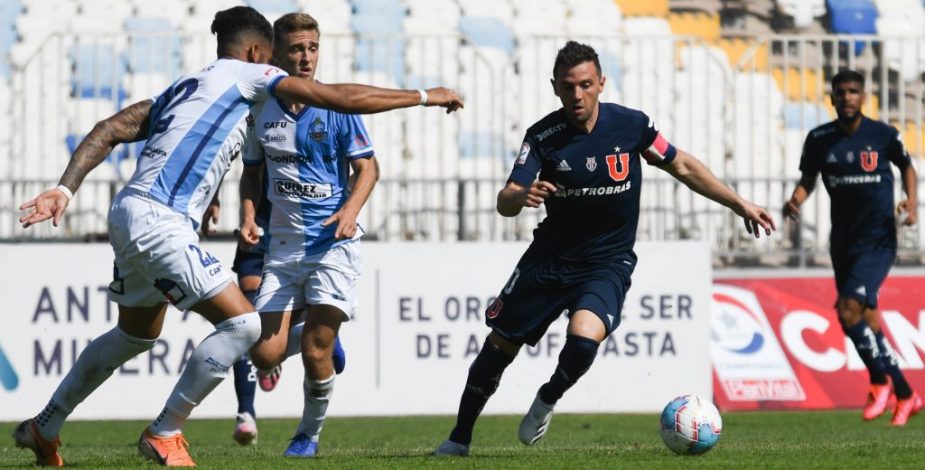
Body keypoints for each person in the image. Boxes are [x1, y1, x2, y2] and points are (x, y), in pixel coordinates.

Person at [13, 6, 462, 467]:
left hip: (128, 213)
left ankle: (45, 425)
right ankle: (165, 431)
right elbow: (339, 97)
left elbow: (112, 129)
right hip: (161, 221)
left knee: (133, 337)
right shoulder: (254, 76)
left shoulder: (184, 87)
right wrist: (425, 95)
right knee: (244, 325)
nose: (283, 67)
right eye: (274, 56)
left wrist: (65, 188)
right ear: (255, 52)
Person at [433, 41, 775, 457]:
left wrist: (740, 203)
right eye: (567, 87)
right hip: (550, 260)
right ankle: (460, 437)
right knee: (499, 348)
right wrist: (521, 195)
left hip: (607, 261)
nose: (577, 95)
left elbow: (682, 164)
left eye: (585, 85)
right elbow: (505, 201)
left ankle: (548, 396)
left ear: (601, 84)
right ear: (555, 88)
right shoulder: (542, 136)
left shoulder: (632, 127)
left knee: (582, 341)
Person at [239, 12, 378, 458]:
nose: (306, 57)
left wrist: (350, 211)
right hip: (281, 244)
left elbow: (368, 168)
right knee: (264, 353)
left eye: (312, 48)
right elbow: (251, 173)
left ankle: (307, 436)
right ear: (277, 52)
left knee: (316, 351)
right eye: (297, 48)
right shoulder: (261, 107)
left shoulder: (336, 105)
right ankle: (325, 331)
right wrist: (246, 213)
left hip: (331, 242)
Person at [783, 70, 921, 426]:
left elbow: (908, 167)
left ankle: (879, 381)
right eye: (840, 92)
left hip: (877, 241)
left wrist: (911, 201)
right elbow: (808, 179)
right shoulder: (819, 139)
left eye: (853, 91)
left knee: (847, 310)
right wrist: (795, 200)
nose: (846, 97)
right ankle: (907, 394)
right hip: (842, 241)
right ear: (831, 98)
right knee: (865, 320)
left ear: (864, 96)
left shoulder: (883, 135)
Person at [202, 165, 347, 447]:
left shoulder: (321, 122)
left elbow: (364, 165)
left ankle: (318, 334)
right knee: (247, 323)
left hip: (301, 232)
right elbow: (227, 150)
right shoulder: (255, 122)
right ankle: (246, 413)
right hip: (258, 227)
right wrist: (214, 195)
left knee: (296, 311)